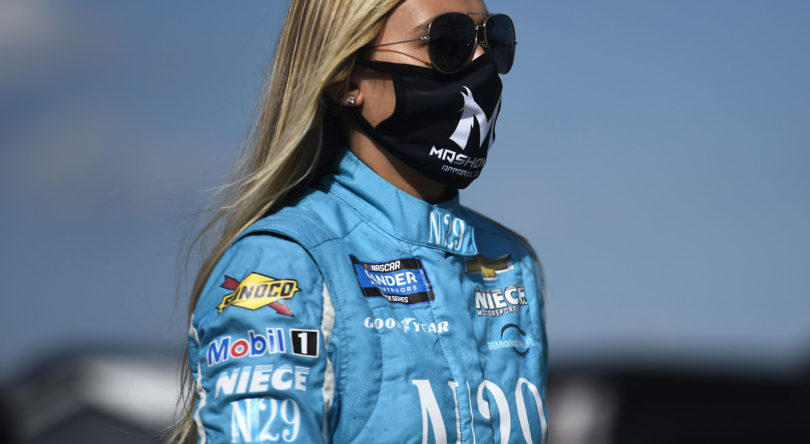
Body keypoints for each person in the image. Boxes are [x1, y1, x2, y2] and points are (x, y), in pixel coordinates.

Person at [168, 0, 547, 442]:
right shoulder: (281, 267)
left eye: (493, 40)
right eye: (449, 41)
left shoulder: (511, 262)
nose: (481, 63)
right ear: (345, 79)